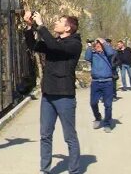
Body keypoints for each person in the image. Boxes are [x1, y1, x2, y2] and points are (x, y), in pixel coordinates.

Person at [24, 10, 82, 174]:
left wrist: (41, 25)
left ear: (68, 28)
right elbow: (34, 46)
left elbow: (55, 47)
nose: (56, 23)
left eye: (60, 21)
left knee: (69, 136)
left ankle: (75, 170)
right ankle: (45, 169)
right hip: (48, 95)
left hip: (65, 96)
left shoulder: (74, 44)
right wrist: (30, 27)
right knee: (45, 135)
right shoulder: (55, 42)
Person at [84, 38, 117, 133]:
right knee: (93, 103)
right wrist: (90, 46)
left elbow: (111, 52)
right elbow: (87, 57)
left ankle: (107, 123)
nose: (97, 47)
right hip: (95, 82)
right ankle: (98, 117)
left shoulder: (108, 55)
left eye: (99, 45)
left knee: (108, 104)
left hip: (107, 82)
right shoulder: (93, 55)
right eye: (96, 45)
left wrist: (103, 42)